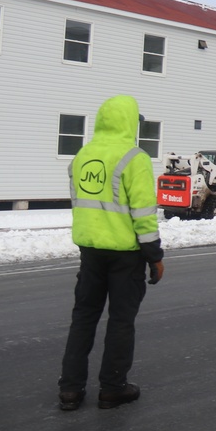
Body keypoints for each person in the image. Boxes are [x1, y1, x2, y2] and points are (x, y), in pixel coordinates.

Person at [58, 95, 165, 411]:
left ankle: (70, 390)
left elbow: (81, 203)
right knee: (120, 320)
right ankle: (113, 388)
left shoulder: (82, 156)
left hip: (89, 251)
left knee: (83, 317)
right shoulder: (135, 158)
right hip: (124, 255)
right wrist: (154, 256)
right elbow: (143, 213)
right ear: (130, 123)